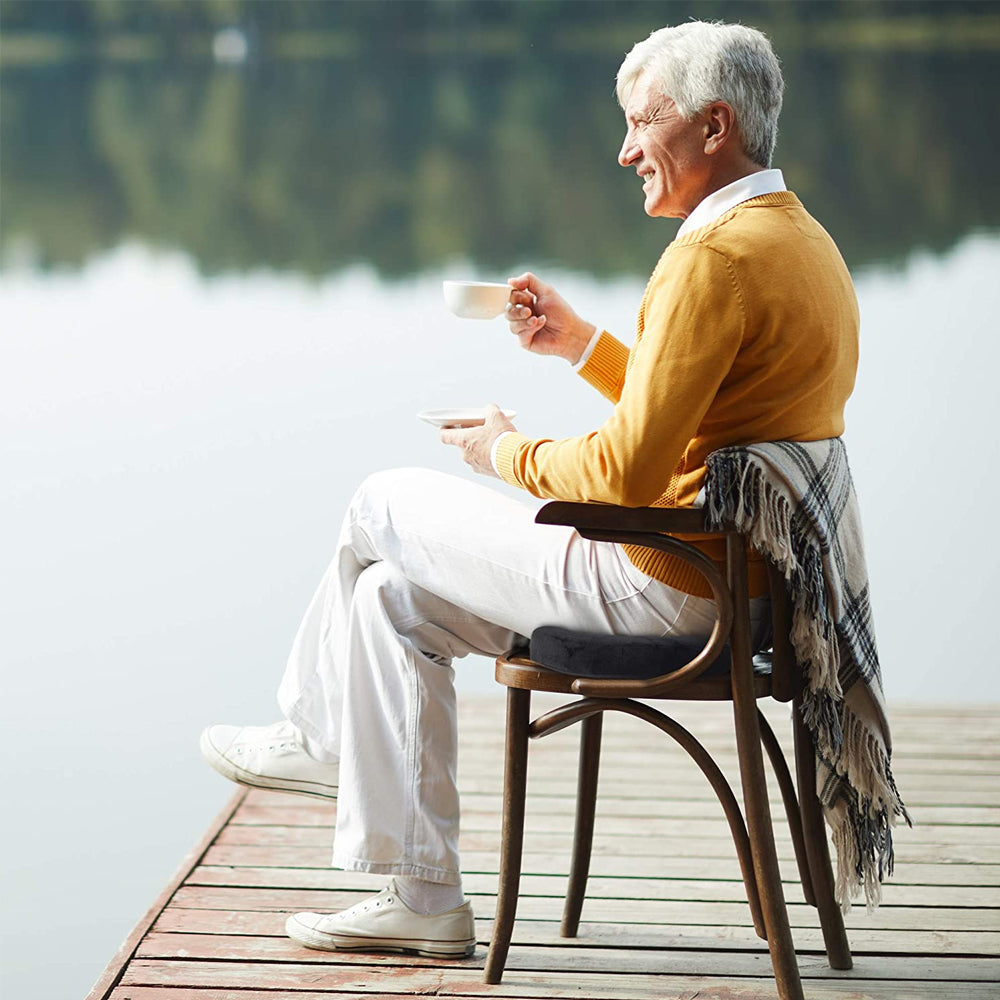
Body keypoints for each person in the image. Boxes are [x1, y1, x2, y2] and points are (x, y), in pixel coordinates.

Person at [200, 20, 858, 958]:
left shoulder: (710, 260)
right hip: (742, 583)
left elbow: (628, 472)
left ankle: (319, 736)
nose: (625, 150)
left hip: (669, 585)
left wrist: (507, 450)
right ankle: (425, 898)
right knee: (390, 602)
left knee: (379, 502)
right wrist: (582, 345)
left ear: (715, 127)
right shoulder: (799, 240)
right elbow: (708, 418)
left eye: (644, 122)